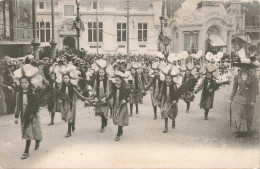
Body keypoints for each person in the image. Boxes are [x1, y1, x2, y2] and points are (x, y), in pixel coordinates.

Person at [13, 64, 43, 160]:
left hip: (32, 115)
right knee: (26, 131)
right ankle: (34, 142)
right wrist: (16, 117)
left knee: (33, 130)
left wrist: (32, 113)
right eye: (22, 82)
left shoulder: (33, 93)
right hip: (24, 115)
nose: (23, 84)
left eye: (25, 82)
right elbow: (17, 105)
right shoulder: (19, 94)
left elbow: (36, 105)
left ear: (29, 83)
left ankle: (27, 151)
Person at [229, 49, 259, 137]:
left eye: (245, 67)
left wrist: (253, 100)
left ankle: (246, 130)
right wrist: (231, 98)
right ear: (240, 67)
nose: (243, 68)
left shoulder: (253, 77)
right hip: (239, 98)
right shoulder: (237, 77)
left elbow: (254, 89)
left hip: (249, 98)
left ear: (248, 68)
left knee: (248, 115)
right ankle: (240, 130)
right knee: (239, 114)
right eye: (242, 66)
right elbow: (234, 88)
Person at [58, 73, 86, 138]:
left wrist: (84, 99)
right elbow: (59, 94)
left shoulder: (72, 86)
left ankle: (69, 131)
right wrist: (61, 98)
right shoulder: (61, 86)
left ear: (69, 79)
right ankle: (71, 126)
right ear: (62, 79)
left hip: (71, 103)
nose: (65, 79)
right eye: (64, 78)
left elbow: (77, 93)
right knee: (67, 117)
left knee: (70, 117)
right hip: (64, 103)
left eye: (67, 78)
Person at [105, 70, 130, 141]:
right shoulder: (114, 87)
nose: (116, 82)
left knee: (121, 118)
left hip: (123, 105)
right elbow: (110, 94)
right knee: (117, 118)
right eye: (115, 80)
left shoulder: (126, 87)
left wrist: (126, 100)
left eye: (118, 80)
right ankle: (121, 129)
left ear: (122, 80)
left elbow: (130, 96)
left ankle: (118, 133)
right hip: (116, 104)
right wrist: (106, 98)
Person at [157, 66, 179, 133]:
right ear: (165, 79)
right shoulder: (163, 85)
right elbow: (161, 92)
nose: (168, 79)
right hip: (165, 101)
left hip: (172, 101)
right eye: (167, 78)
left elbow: (177, 94)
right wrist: (159, 99)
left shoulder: (174, 85)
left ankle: (173, 121)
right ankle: (166, 127)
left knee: (172, 113)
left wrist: (176, 100)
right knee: (165, 112)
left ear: (171, 79)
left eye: (169, 78)